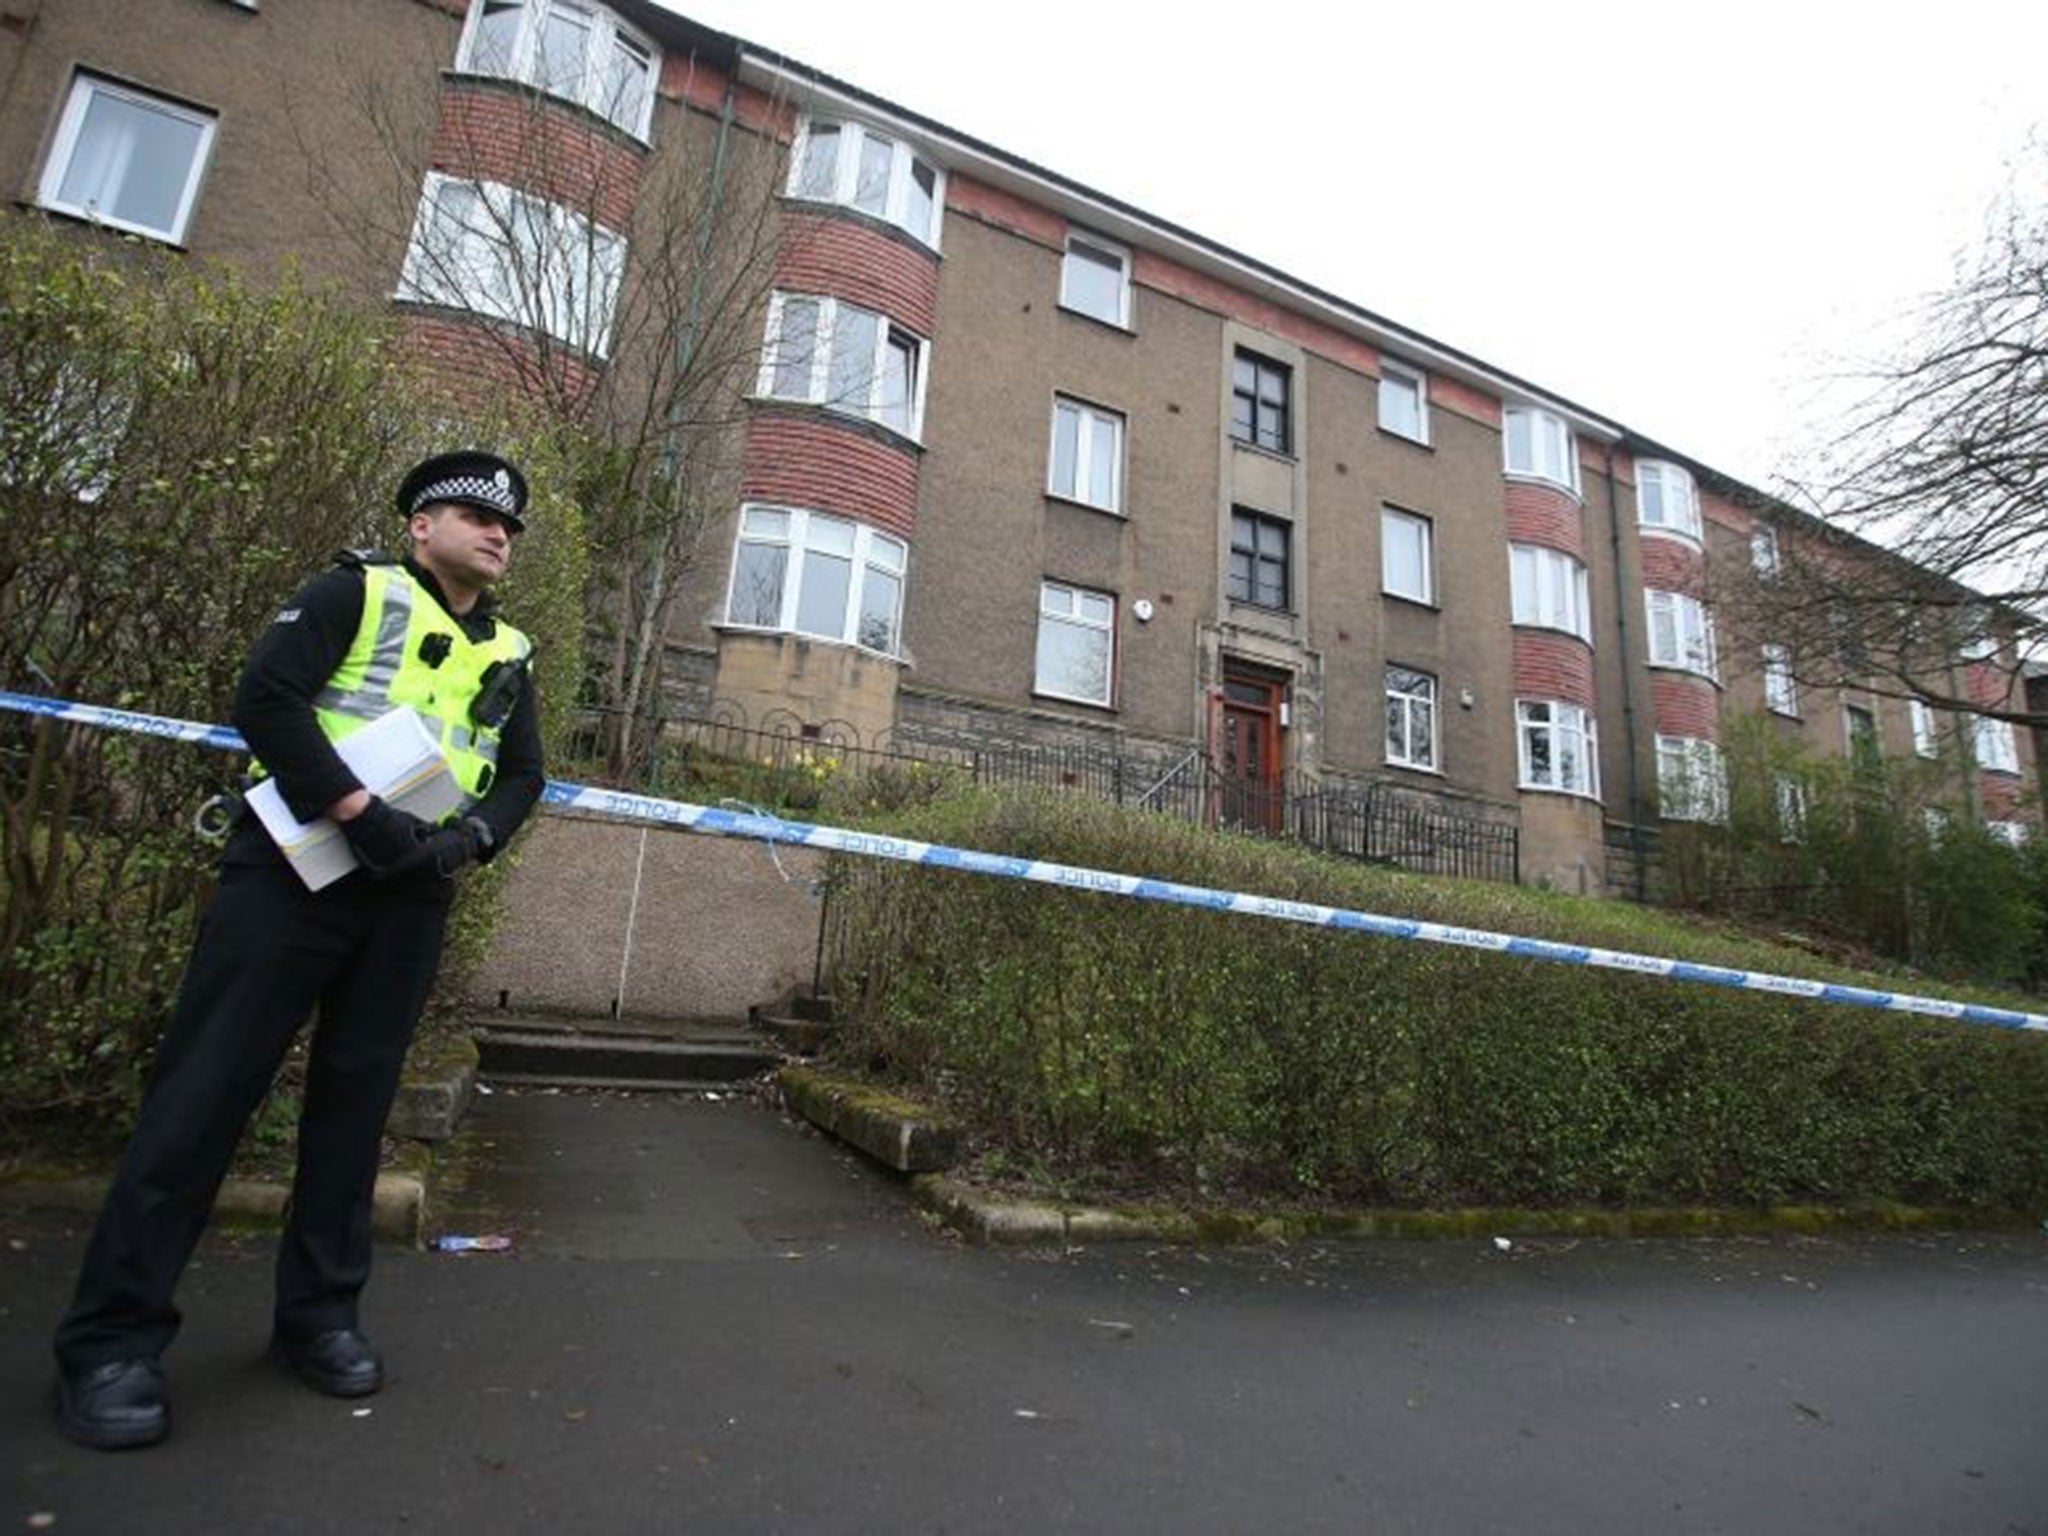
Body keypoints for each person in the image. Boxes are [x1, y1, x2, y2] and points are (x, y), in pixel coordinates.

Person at [52, 451, 547, 1450]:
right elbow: (267, 699)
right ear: (419, 525)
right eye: (472, 515)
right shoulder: (352, 590)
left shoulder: (513, 648)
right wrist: (359, 811)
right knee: (202, 1100)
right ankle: (111, 1344)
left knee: (353, 1114)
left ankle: (318, 1319)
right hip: (293, 876)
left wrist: (470, 840)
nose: (497, 533)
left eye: (507, 526)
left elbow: (523, 775)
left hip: (407, 899)